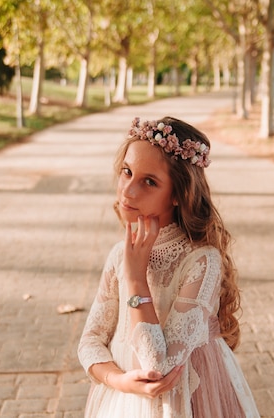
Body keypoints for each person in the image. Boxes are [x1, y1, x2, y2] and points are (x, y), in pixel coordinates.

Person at [78, 116, 260, 417]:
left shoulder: (201, 261)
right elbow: (89, 342)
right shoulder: (117, 254)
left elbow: (158, 368)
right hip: (123, 400)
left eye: (149, 182)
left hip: (185, 402)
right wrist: (119, 381)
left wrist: (136, 278)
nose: (128, 191)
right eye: (127, 172)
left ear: (178, 193)